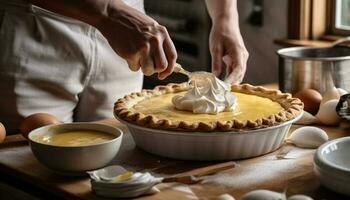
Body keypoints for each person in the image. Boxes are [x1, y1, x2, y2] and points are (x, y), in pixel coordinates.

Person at [0, 0, 248, 134]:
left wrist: (226, 17)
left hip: (129, 30)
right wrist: (106, 11)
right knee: (28, 168)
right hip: (35, 22)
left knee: (120, 171)